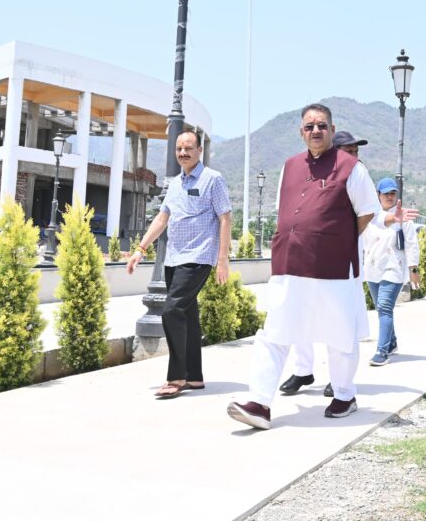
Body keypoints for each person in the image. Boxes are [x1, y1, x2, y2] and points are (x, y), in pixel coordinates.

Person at [228, 104, 380, 430]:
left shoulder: (352, 168)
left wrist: (337, 239)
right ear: (301, 132)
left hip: (334, 266)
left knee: (340, 334)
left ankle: (345, 395)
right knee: (275, 331)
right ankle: (259, 402)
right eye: (309, 126)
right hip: (289, 263)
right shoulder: (289, 166)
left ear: (332, 129)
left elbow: (367, 211)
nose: (316, 131)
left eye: (322, 125)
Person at [126, 131, 232, 399]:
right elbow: (162, 218)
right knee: (188, 317)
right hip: (174, 258)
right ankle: (194, 376)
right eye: (179, 149)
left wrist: (222, 259)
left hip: (199, 257)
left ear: (200, 151)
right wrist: (140, 249)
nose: (183, 153)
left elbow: (225, 218)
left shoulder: (213, 179)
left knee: (172, 310)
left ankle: (177, 376)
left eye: (188, 148)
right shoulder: (174, 183)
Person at [279, 129, 368, 399]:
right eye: (349, 151)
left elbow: (368, 214)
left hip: (343, 263)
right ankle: (303, 370)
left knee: (339, 322)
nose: (354, 155)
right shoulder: (313, 173)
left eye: (356, 151)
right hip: (307, 260)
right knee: (301, 316)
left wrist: (340, 240)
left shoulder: (356, 174)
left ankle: (339, 382)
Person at [363, 177, 420, 365]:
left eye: (393, 193)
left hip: (393, 267)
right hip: (372, 268)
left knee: (385, 307)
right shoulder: (370, 216)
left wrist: (413, 269)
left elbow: (411, 243)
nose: (390, 197)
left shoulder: (403, 216)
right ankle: (392, 342)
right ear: (378, 195)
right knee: (381, 308)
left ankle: (382, 351)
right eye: (386, 193)